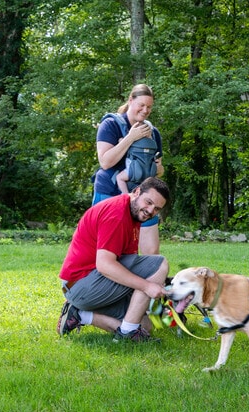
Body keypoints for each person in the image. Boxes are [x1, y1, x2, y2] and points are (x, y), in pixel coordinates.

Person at [57, 177, 171, 342]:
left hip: (92, 285)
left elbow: (127, 262)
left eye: (156, 208)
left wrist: (157, 294)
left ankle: (80, 315)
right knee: (159, 263)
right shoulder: (116, 214)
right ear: (137, 191)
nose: (150, 210)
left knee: (146, 325)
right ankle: (127, 333)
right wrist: (147, 286)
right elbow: (104, 265)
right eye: (148, 202)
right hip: (80, 284)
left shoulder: (134, 215)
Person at [92, 84, 164, 255]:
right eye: (142, 105)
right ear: (131, 100)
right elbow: (105, 162)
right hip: (109, 191)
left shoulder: (153, 132)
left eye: (149, 107)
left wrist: (158, 168)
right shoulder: (110, 125)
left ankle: (150, 280)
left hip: (143, 196)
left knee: (152, 251)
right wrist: (131, 138)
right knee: (108, 249)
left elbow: (159, 170)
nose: (145, 110)